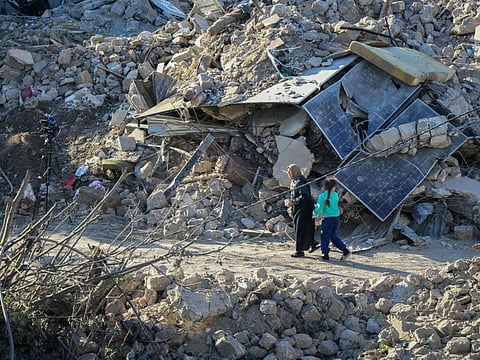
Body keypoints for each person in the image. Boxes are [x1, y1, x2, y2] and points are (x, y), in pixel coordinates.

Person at [313, 177, 351, 261]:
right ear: (334, 187)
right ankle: (345, 250)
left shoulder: (322, 196)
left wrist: (313, 213)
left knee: (324, 236)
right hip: (336, 218)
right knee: (334, 236)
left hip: (328, 219)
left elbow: (319, 209)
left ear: (325, 186)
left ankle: (325, 254)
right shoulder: (335, 195)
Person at [285, 164, 319, 257]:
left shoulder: (300, 181)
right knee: (305, 227)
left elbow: (304, 196)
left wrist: (293, 202)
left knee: (300, 228)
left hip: (304, 208)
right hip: (299, 208)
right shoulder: (294, 180)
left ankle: (299, 250)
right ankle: (312, 243)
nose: (288, 173)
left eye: (290, 172)